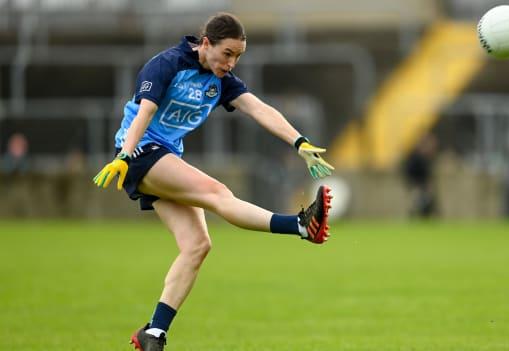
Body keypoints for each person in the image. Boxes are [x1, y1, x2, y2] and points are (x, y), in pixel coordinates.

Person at [92, 13, 334, 351]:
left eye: (238, 56)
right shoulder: (167, 65)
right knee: (217, 193)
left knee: (197, 245)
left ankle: (154, 332)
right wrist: (123, 156)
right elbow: (145, 111)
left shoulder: (222, 80)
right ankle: (299, 225)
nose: (231, 63)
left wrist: (299, 142)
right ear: (206, 44)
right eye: (227, 54)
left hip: (165, 158)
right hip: (141, 153)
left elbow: (259, 109)